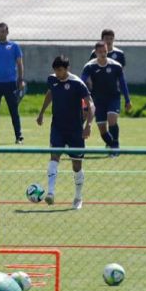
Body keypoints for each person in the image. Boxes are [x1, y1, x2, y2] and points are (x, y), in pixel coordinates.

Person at [36, 55, 94, 210]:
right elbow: (50, 93)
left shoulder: (77, 83)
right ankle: (51, 193)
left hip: (75, 130)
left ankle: (78, 197)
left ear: (67, 69)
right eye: (55, 70)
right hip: (57, 128)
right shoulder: (52, 79)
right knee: (54, 157)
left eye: (60, 70)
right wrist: (42, 112)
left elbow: (91, 105)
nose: (57, 73)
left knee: (76, 166)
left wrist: (88, 125)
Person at [81, 41, 132, 150]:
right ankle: (111, 144)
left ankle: (115, 146)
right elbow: (82, 83)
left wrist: (128, 100)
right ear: (95, 53)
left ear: (107, 51)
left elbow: (123, 83)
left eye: (105, 51)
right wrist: (80, 97)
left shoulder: (116, 66)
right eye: (100, 52)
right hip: (98, 100)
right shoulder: (89, 66)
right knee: (102, 129)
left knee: (112, 119)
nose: (103, 54)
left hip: (113, 98)